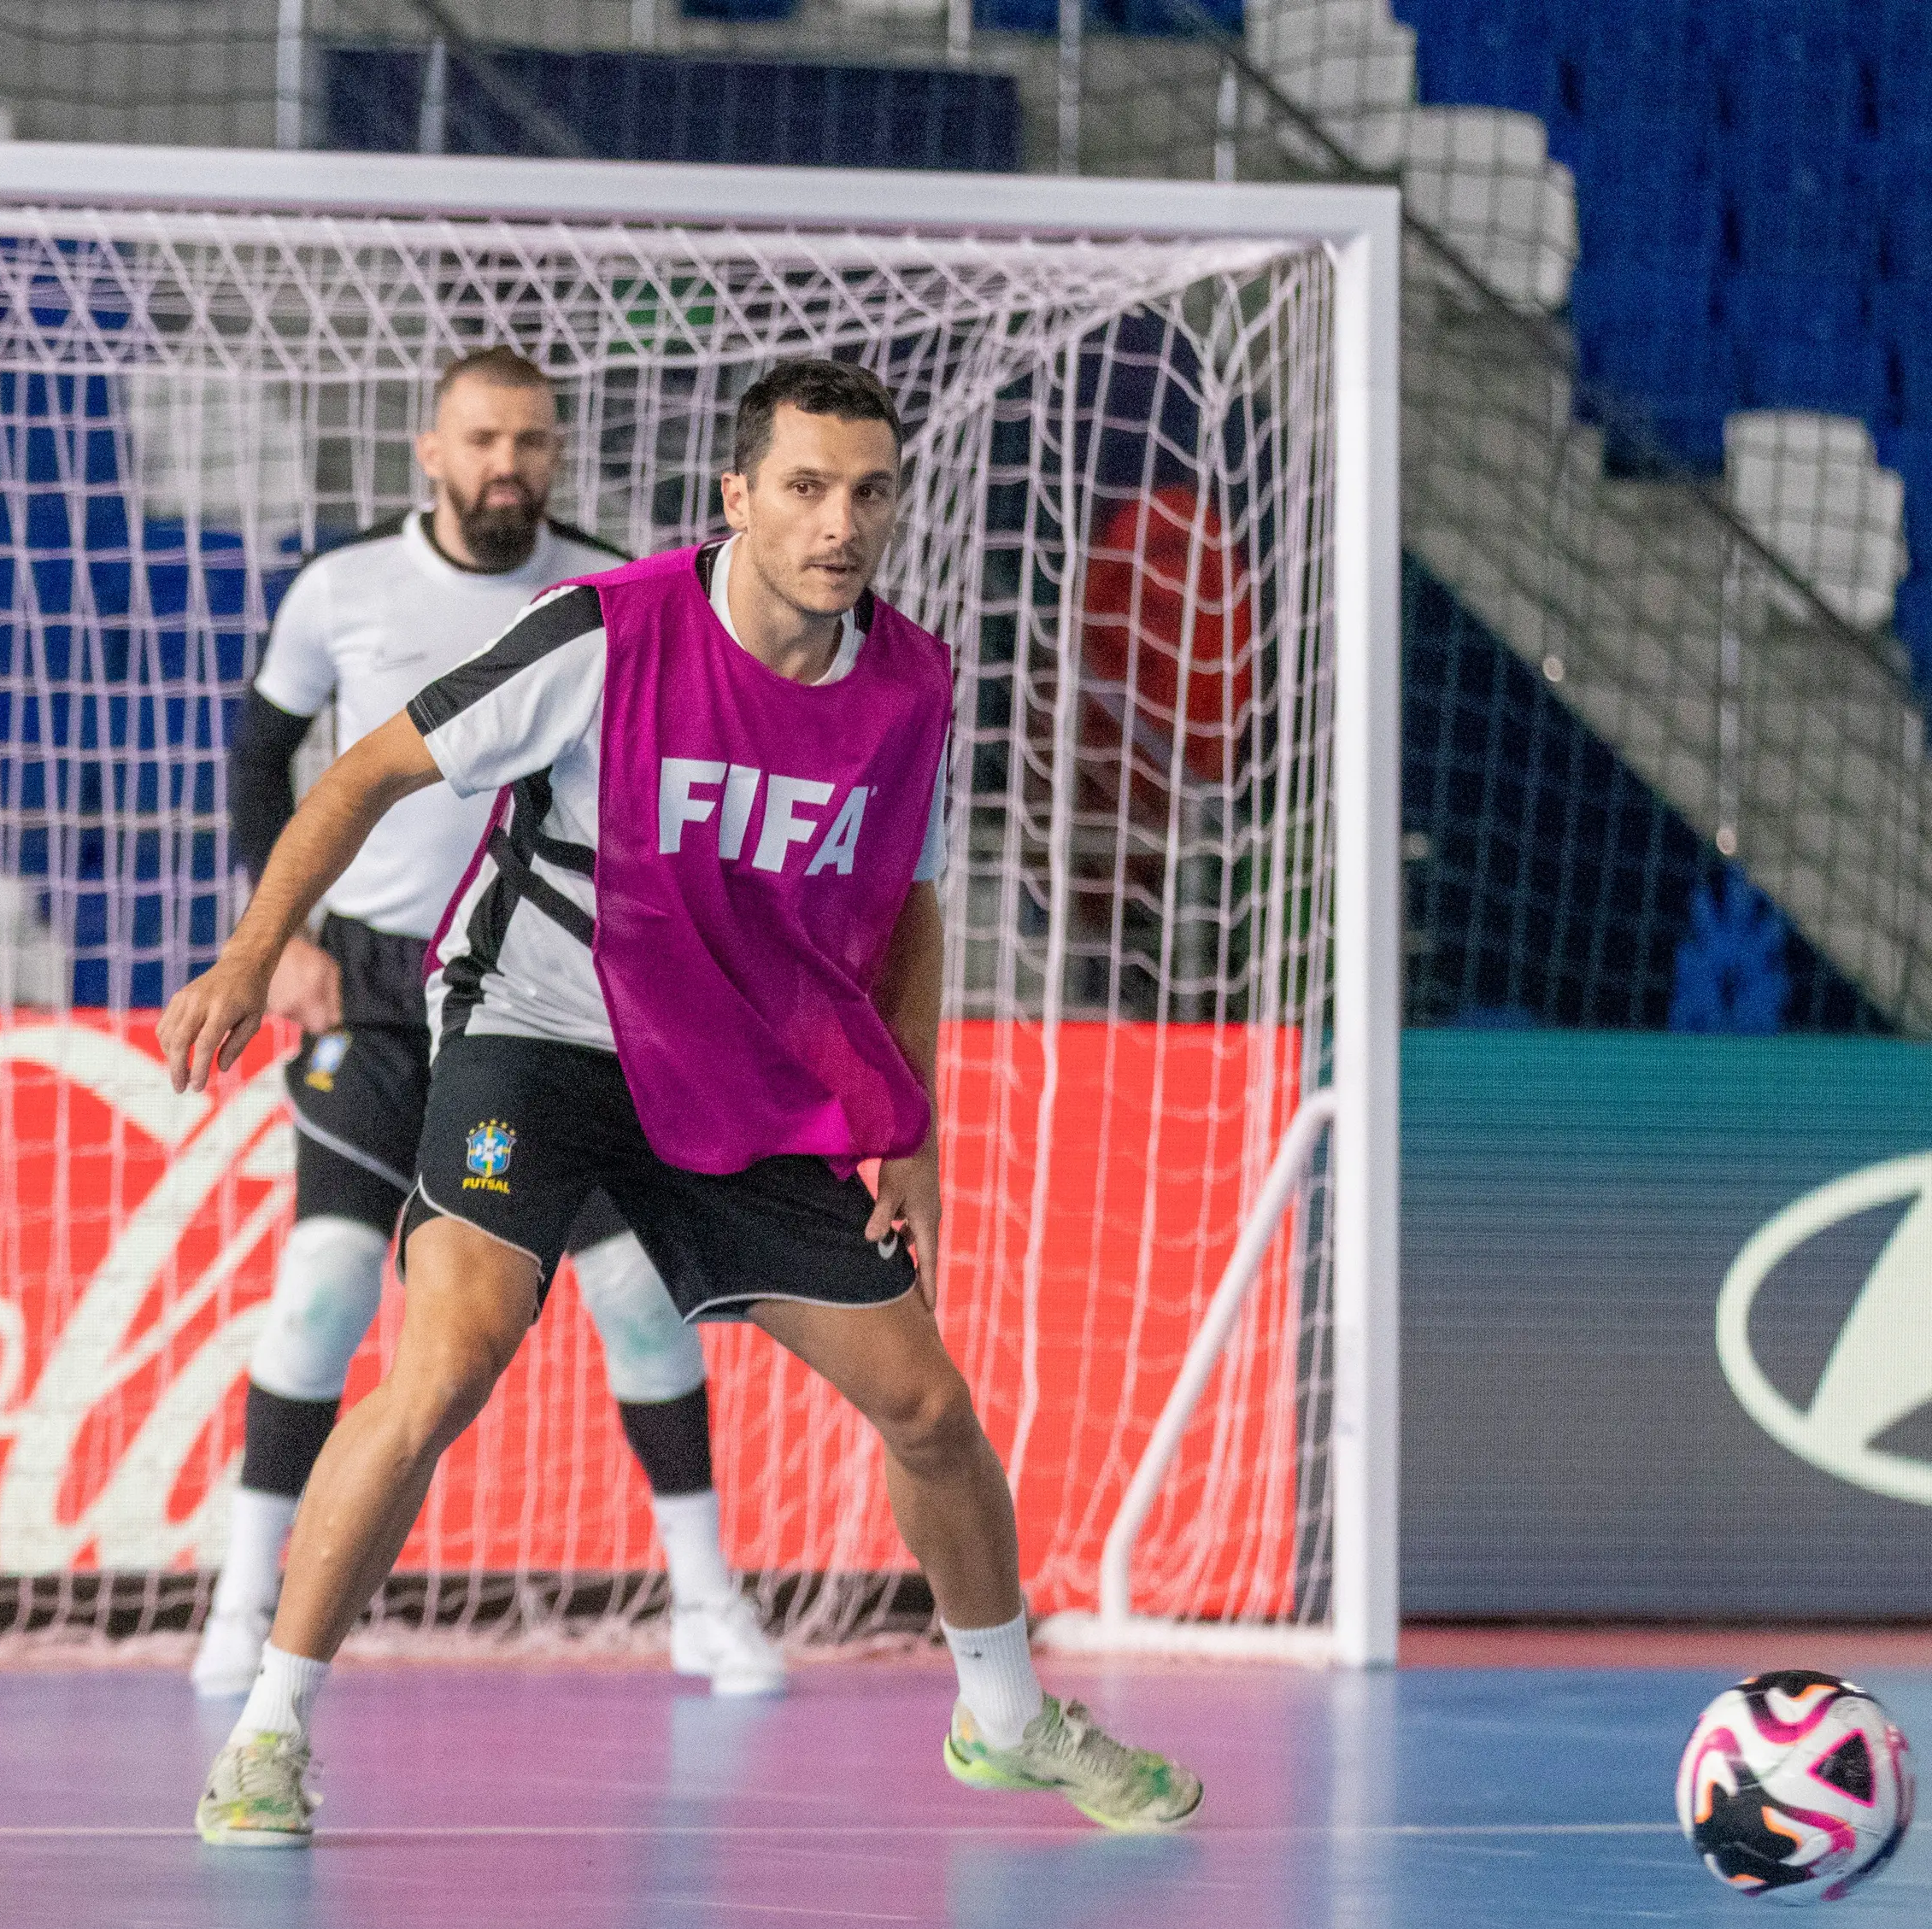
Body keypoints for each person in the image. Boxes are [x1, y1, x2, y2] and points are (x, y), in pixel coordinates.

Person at [162, 357, 1205, 1848]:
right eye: (804, 486)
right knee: (448, 1355)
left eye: (868, 491)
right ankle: (269, 1726)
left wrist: (906, 1129)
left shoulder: (909, 684)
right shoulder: (610, 627)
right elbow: (364, 771)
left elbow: (909, 912)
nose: (839, 521)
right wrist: (257, 955)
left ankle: (1007, 1709)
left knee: (928, 1402)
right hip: (542, 1029)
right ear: (738, 497)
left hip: (738, 1069)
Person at [194, 346, 787, 1700]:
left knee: (639, 1295)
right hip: (376, 994)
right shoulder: (340, 587)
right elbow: (260, 756)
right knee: (327, 1290)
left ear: (556, 451)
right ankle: (241, 1607)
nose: (505, 464)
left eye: (529, 440)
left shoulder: (614, 590)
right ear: (430, 448)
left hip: (539, 1002)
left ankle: (705, 1601)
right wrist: (273, 933)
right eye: (480, 440)